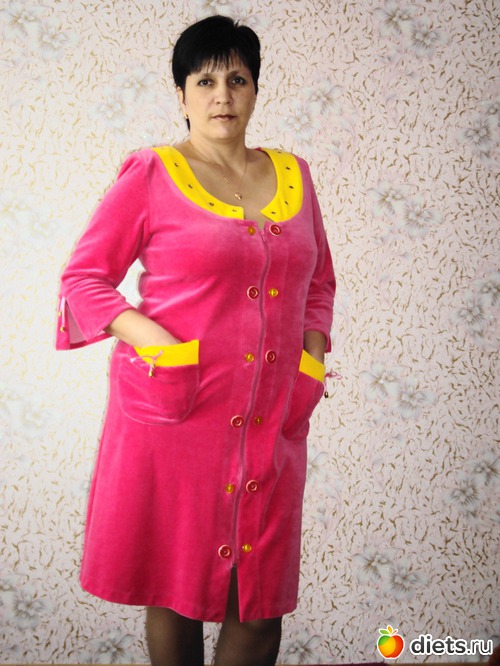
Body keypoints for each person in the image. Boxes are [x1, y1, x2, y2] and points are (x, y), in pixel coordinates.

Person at [56, 15, 335, 666]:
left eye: (237, 80)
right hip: (176, 418)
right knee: (176, 596)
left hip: (271, 418)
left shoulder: (295, 175)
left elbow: (319, 280)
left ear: (256, 90)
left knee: (258, 613)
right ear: (180, 93)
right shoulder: (152, 173)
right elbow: (83, 280)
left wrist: (313, 358)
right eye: (204, 81)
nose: (222, 96)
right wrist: (153, 339)